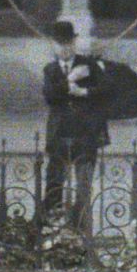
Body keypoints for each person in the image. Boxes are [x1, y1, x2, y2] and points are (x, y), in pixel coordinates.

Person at [39, 20, 109, 233]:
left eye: (69, 42)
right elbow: (50, 96)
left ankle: (82, 233)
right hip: (59, 135)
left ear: (75, 42)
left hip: (85, 136)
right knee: (54, 186)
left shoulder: (89, 65)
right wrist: (71, 78)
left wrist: (84, 92)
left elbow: (107, 90)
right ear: (53, 45)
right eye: (60, 44)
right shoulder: (50, 69)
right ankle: (53, 232)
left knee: (83, 189)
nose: (65, 48)